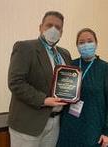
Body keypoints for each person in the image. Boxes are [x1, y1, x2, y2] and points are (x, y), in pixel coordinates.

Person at [8, 11, 71, 147]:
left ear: (62, 32)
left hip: (55, 123)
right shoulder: (25, 48)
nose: (53, 30)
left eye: (58, 27)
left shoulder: (65, 54)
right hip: (28, 124)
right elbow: (16, 83)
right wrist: (43, 100)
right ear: (40, 27)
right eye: (49, 25)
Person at [57, 28, 108, 147]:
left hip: (93, 127)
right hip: (69, 126)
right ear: (77, 45)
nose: (85, 45)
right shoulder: (70, 66)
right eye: (81, 42)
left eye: (89, 41)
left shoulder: (106, 69)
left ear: (96, 43)